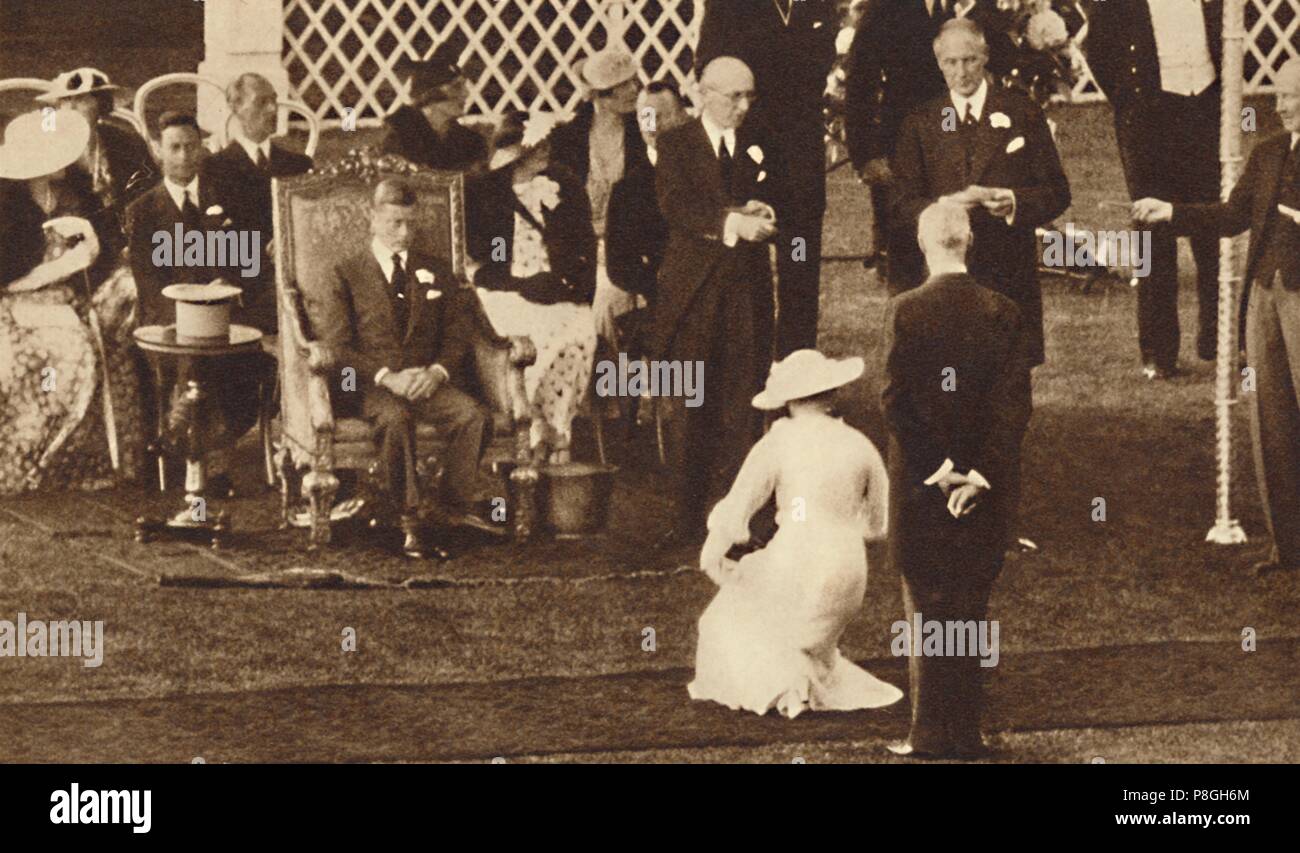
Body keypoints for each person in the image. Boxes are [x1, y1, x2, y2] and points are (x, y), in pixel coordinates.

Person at [1132, 57, 1300, 576]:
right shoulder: (1269, 151)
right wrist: (1174, 212)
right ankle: (1288, 547)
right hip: (1266, 297)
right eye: (1279, 96)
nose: (1283, 107)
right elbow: (1231, 216)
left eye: (1295, 96)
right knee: (1271, 423)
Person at [880, 201, 1032, 758]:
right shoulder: (1004, 312)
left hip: (922, 487)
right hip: (983, 491)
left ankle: (927, 735)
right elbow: (1013, 407)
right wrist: (980, 474)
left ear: (925, 245)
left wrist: (941, 472)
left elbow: (896, 405)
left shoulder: (905, 312)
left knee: (925, 607)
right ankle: (966, 733)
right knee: (970, 606)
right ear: (968, 242)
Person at [689, 348, 903, 718]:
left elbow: (737, 507)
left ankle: (788, 684)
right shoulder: (859, 444)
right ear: (832, 395)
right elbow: (881, 522)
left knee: (720, 619)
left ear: (786, 401)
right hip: (848, 570)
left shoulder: (778, 442)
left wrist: (712, 555)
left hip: (799, 562)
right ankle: (799, 674)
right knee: (776, 614)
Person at [305, 179, 496, 560]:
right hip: (372, 384)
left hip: (427, 381)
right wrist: (387, 377)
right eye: (394, 223)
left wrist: (438, 372)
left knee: (473, 416)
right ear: (371, 218)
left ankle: (448, 511)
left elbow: (458, 333)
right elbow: (338, 347)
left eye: (410, 223)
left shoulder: (436, 271)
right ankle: (408, 516)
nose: (404, 233)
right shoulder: (345, 272)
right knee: (394, 420)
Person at [651, 56, 784, 543]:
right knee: (693, 403)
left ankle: (741, 516)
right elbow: (676, 206)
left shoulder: (758, 141)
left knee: (744, 403)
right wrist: (733, 221)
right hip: (694, 294)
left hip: (747, 292)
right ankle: (686, 519)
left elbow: (781, 198)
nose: (744, 107)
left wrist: (765, 211)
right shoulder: (676, 142)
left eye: (750, 96)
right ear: (703, 94)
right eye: (734, 97)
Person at [889, 16, 1070, 368]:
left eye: (970, 60)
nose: (961, 72)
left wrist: (1015, 202)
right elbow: (899, 202)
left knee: (1008, 377)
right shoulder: (922, 122)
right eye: (950, 63)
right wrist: (942, 208)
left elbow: (1057, 192)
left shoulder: (1021, 112)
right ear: (938, 62)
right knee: (950, 372)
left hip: (1008, 269)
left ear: (985, 56)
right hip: (945, 273)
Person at [0, 108, 145, 494]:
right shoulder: (9, 205)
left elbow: (107, 248)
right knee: (52, 354)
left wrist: (89, 247)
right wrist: (62, 263)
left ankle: (79, 460)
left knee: (96, 347)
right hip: (17, 303)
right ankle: (31, 458)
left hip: (70, 301)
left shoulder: (75, 195)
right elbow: (8, 274)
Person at [1087, 0, 1224, 377]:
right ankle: (1158, 352)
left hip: (1205, 109)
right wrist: (1132, 100)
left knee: (1212, 226)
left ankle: (1220, 341)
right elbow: (1098, 52)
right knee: (1152, 232)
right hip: (1148, 116)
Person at [695, 0, 837, 357]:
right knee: (748, 269)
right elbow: (709, 68)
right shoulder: (730, 7)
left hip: (801, 165)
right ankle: (748, 375)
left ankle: (797, 369)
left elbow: (820, 65)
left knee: (800, 264)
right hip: (748, 158)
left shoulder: (817, 5)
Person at [124, 111, 266, 465]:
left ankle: (182, 430)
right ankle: (210, 459)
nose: (184, 156)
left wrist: (230, 286)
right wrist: (191, 305)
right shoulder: (142, 211)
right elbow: (148, 281)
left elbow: (251, 262)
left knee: (234, 353)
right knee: (196, 347)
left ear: (202, 148)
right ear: (159, 152)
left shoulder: (227, 200)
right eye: (175, 148)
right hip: (169, 314)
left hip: (229, 309)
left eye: (191, 146)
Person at [465, 111, 599, 461]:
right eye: (535, 147)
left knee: (578, 333)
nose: (545, 152)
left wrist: (565, 284)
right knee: (525, 340)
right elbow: (484, 262)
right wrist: (520, 284)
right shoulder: (485, 192)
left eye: (546, 146)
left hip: (555, 288)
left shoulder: (564, 185)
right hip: (505, 291)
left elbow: (582, 247)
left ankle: (558, 429)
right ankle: (532, 431)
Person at [845, 0, 1012, 274]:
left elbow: (1005, 58)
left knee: (963, 240)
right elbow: (860, 82)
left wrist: (976, 17)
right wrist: (865, 156)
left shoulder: (970, 7)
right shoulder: (884, 9)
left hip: (961, 139)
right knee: (908, 245)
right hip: (904, 141)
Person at [549, 48, 663, 347]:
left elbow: (659, 187)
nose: (634, 90)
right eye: (621, 87)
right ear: (599, 96)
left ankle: (614, 383)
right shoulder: (567, 139)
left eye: (634, 81)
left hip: (628, 249)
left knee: (606, 302)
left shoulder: (644, 131)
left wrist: (650, 129)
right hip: (577, 251)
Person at [204, 72, 314, 333]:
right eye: (261, 102)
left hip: (297, 270)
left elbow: (312, 221)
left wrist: (290, 241)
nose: (273, 109)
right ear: (236, 107)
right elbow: (214, 233)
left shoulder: (298, 165)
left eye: (274, 101)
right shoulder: (214, 167)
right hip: (244, 274)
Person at [37, 66, 156, 268]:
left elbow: (149, 192)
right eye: (66, 101)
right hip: (71, 246)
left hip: (126, 239)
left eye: (82, 99)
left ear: (101, 104)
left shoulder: (126, 142)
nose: (73, 107)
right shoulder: (48, 148)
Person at [379, 40, 489, 174]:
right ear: (429, 96)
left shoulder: (472, 142)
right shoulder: (400, 137)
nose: (465, 94)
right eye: (456, 87)